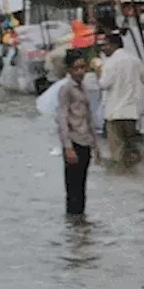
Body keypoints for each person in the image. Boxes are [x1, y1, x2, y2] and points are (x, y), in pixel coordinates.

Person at [98, 31, 144, 168]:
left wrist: (98, 71)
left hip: (114, 113)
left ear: (113, 45)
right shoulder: (135, 60)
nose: (102, 48)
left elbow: (103, 84)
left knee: (118, 154)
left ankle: (121, 179)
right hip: (132, 113)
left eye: (105, 45)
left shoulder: (110, 63)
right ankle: (134, 178)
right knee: (131, 150)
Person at [57, 49, 98, 217]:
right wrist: (67, 147)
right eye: (76, 68)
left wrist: (96, 144)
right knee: (73, 189)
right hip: (73, 142)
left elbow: (89, 117)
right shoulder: (66, 89)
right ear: (69, 70)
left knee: (82, 187)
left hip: (85, 140)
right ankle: (73, 223)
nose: (81, 71)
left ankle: (81, 224)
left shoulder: (84, 87)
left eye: (83, 67)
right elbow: (62, 118)